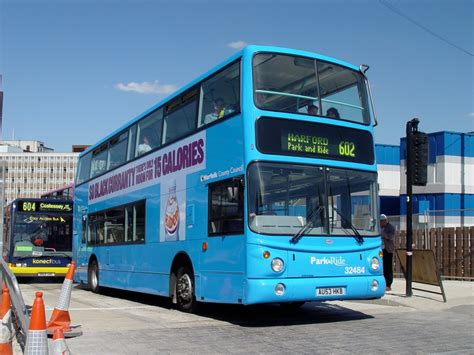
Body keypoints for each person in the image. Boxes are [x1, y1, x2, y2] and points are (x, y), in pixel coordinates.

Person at [380, 214, 395, 291]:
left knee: (388, 267)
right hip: (380, 250)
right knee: (381, 267)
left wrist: (383, 234)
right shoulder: (378, 228)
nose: (380, 223)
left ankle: (388, 284)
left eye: (382, 221)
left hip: (388, 250)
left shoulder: (390, 227)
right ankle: (382, 283)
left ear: (385, 221)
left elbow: (391, 237)